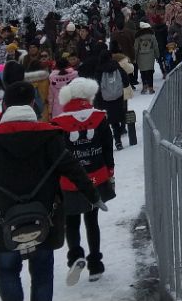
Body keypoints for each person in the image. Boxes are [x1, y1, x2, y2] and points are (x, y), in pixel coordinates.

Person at [0, 81, 99, 301]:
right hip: (44, 217)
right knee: (42, 272)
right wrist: (93, 195)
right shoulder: (50, 135)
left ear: (6, 105)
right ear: (32, 103)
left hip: (5, 217)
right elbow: (73, 169)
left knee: (7, 271)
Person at [52, 77, 116, 284]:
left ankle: (75, 256)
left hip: (69, 181)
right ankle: (95, 264)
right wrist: (110, 170)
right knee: (92, 220)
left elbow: (56, 156)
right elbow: (107, 146)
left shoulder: (58, 122)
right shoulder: (99, 117)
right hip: (96, 175)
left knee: (71, 221)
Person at [92, 49, 127, 151]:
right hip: (117, 98)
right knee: (116, 122)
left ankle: (106, 144)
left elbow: (96, 85)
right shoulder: (117, 67)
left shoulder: (98, 69)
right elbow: (125, 81)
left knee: (105, 122)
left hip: (103, 99)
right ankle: (118, 141)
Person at [133, 23, 159, 94]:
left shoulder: (138, 37)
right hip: (150, 55)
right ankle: (151, 88)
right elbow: (155, 46)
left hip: (141, 56)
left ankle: (144, 87)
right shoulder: (152, 36)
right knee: (150, 72)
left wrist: (134, 57)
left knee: (143, 72)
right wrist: (157, 55)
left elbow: (136, 48)